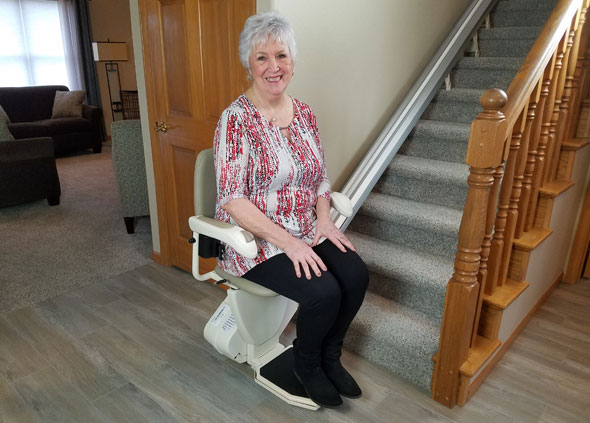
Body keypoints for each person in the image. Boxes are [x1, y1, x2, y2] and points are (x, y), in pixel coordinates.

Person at [213, 11, 368, 408]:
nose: (273, 66)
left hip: (305, 226)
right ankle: (307, 363)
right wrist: (290, 244)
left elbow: (319, 177)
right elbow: (232, 198)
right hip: (256, 242)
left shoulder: (305, 115)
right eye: (262, 57)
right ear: (248, 62)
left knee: (354, 274)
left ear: (293, 63)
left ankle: (329, 357)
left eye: (281, 55)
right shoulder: (235, 121)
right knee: (322, 292)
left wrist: (323, 220)